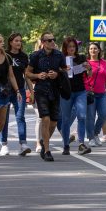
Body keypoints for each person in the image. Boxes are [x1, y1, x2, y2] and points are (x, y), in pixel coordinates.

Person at [26, 32, 66, 161]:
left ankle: (44, 142)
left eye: (53, 40)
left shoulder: (59, 55)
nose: (52, 42)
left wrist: (57, 74)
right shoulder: (36, 56)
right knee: (46, 119)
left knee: (54, 122)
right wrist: (38, 76)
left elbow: (65, 71)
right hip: (41, 90)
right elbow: (27, 73)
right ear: (43, 42)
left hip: (55, 91)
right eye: (49, 40)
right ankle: (47, 150)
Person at [0, 33, 32, 156]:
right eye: (16, 40)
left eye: (20, 41)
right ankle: (4, 144)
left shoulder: (24, 56)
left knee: (20, 117)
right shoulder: (5, 54)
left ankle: (23, 144)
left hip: (20, 91)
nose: (19, 43)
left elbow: (27, 75)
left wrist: (32, 92)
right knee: (4, 118)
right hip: (6, 90)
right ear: (10, 42)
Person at [59, 36, 91, 154]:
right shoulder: (61, 58)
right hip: (66, 92)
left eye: (73, 46)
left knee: (82, 116)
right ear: (65, 48)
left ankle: (81, 143)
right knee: (66, 119)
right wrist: (62, 70)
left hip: (80, 91)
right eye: (69, 47)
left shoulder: (81, 57)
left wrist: (89, 68)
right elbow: (57, 73)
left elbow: (90, 74)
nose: (71, 49)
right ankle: (66, 145)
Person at [86, 42, 106, 144]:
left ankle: (95, 133)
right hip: (90, 94)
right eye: (91, 49)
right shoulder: (86, 63)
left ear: (98, 50)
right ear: (89, 51)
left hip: (102, 94)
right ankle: (91, 138)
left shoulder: (103, 63)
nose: (93, 50)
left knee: (103, 114)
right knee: (90, 117)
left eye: (95, 49)